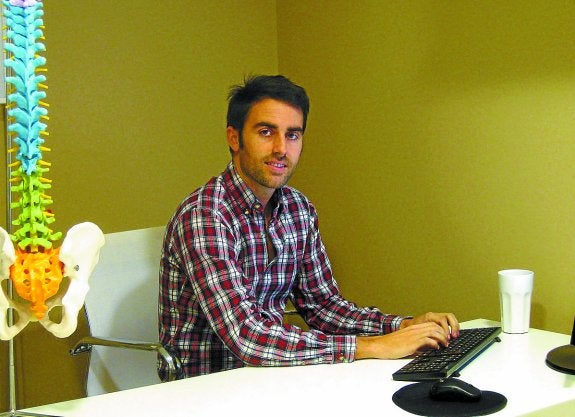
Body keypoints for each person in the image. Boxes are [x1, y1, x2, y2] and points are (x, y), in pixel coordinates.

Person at [158, 74, 459, 380]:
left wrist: (401, 327)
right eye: (266, 132)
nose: (281, 148)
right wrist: (372, 346)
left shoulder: (298, 208)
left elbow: (323, 307)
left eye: (292, 135)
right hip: (207, 387)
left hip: (273, 376)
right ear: (234, 138)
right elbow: (247, 337)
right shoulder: (204, 215)